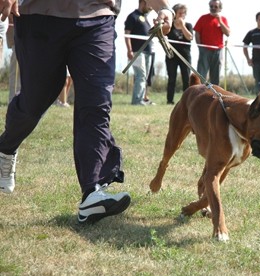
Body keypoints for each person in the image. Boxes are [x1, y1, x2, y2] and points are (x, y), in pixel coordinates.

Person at [0, 1, 174, 225]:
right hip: (40, 14)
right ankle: (6, 148)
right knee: (36, 99)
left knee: (97, 103)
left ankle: (92, 191)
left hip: (97, 17)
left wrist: (164, 8)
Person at [125, 0, 156, 106]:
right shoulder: (132, 16)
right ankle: (137, 101)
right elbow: (127, 34)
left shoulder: (146, 18)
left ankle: (142, 99)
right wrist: (129, 50)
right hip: (137, 52)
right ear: (144, 2)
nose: (152, 8)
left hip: (148, 51)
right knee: (141, 75)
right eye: (150, 5)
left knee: (145, 76)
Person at [193, 0, 230, 85]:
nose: (213, 8)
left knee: (215, 76)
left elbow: (227, 33)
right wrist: (200, 47)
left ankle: (214, 96)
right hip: (204, 50)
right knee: (201, 75)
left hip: (218, 50)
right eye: (211, 6)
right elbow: (197, 32)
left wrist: (220, 21)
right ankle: (199, 94)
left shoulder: (223, 19)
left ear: (220, 8)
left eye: (215, 6)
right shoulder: (203, 18)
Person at [165, 3, 193, 105]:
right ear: (175, 14)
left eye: (183, 13)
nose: (182, 15)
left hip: (185, 56)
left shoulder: (188, 25)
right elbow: (163, 35)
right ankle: (169, 100)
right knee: (172, 78)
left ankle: (187, 100)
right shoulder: (170, 26)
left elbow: (190, 37)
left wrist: (182, 26)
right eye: (179, 13)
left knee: (186, 78)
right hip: (171, 56)